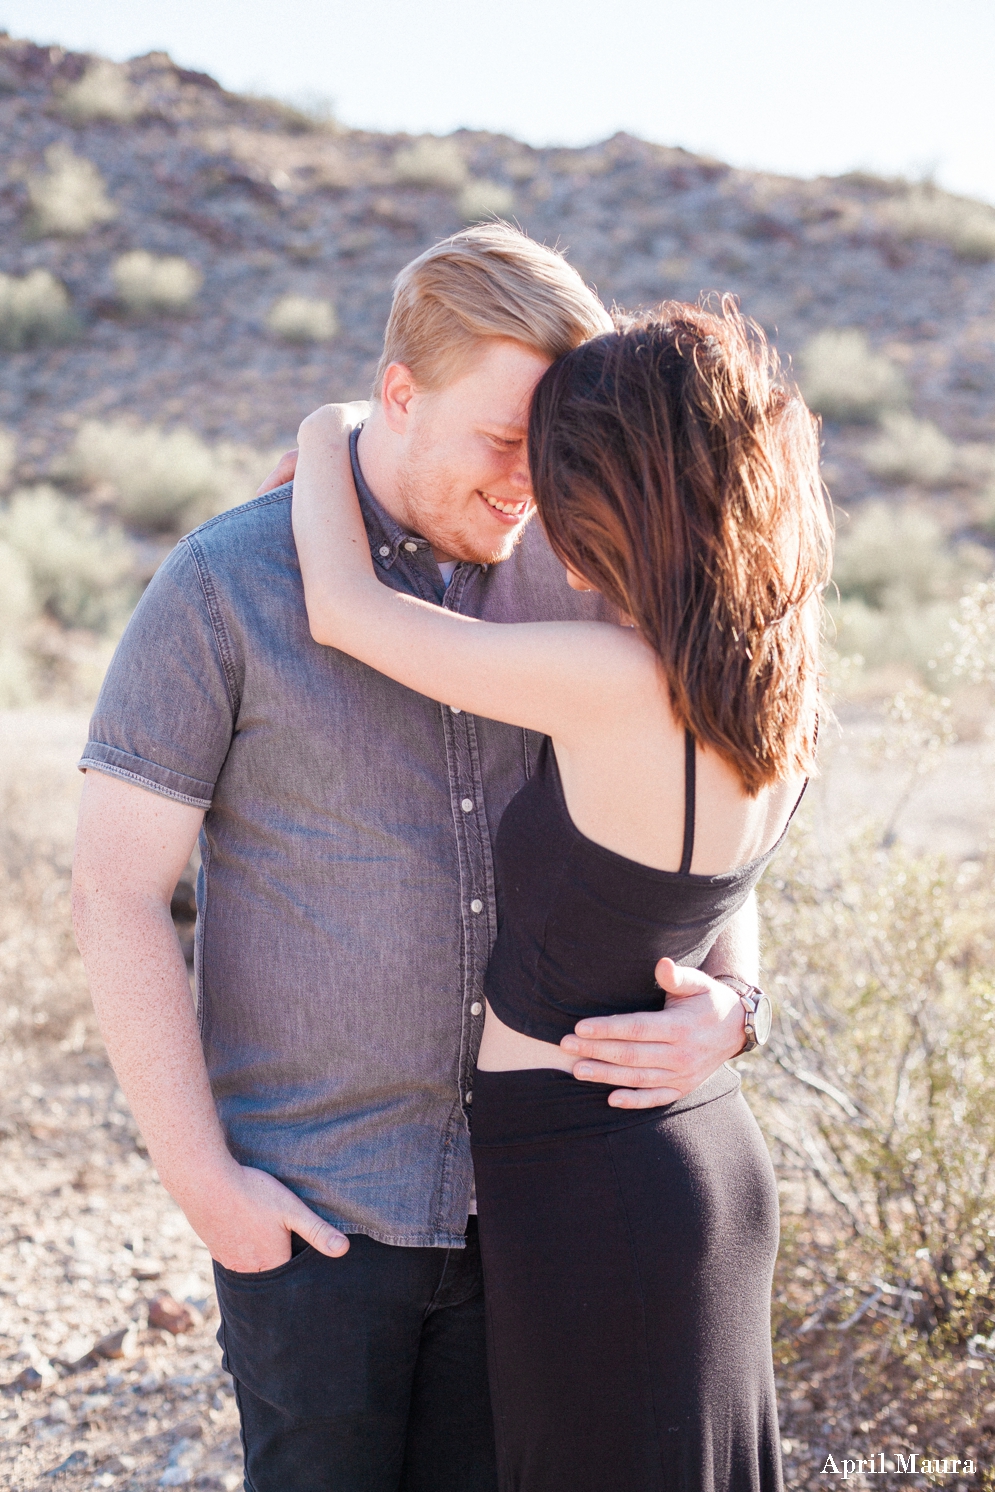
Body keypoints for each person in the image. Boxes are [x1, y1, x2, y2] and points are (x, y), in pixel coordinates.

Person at [71, 226, 767, 1492]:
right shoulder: (229, 583)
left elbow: (701, 805)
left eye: (553, 451)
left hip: (542, 1216)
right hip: (318, 1223)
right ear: (398, 394)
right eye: (505, 442)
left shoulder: (585, 583)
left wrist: (735, 999)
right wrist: (205, 1185)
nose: (528, 485)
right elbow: (114, 894)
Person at [291, 299, 829, 1492]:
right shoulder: (765, 685)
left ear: (621, 498)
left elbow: (346, 609)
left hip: (594, 1194)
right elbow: (698, 901)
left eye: (559, 483)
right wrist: (740, 1007)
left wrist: (334, 425)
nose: (541, 516)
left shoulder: (608, 679)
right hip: (689, 1157)